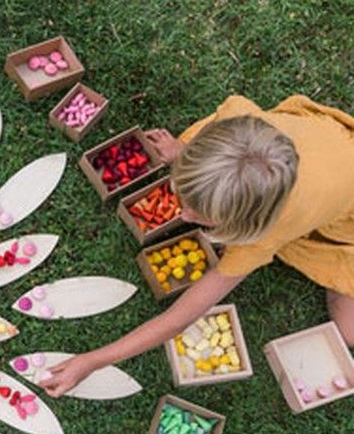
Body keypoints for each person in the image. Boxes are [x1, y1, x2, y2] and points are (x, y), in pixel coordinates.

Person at [41, 95, 354, 398]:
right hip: (328, 150)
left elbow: (179, 318)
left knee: (348, 332)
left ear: (247, 224)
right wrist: (181, 152)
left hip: (344, 208)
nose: (182, 216)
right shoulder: (236, 117)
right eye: (184, 198)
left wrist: (92, 361)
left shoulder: (262, 237)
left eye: (201, 215)